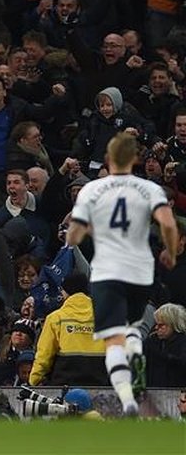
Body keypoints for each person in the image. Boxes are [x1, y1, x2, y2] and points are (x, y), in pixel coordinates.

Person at [65, 132, 179, 416]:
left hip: (108, 271)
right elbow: (168, 223)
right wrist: (171, 252)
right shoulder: (149, 189)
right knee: (132, 328)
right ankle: (136, 355)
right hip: (140, 271)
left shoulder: (93, 190)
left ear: (108, 159)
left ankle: (127, 398)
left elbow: (74, 234)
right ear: (135, 160)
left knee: (113, 338)